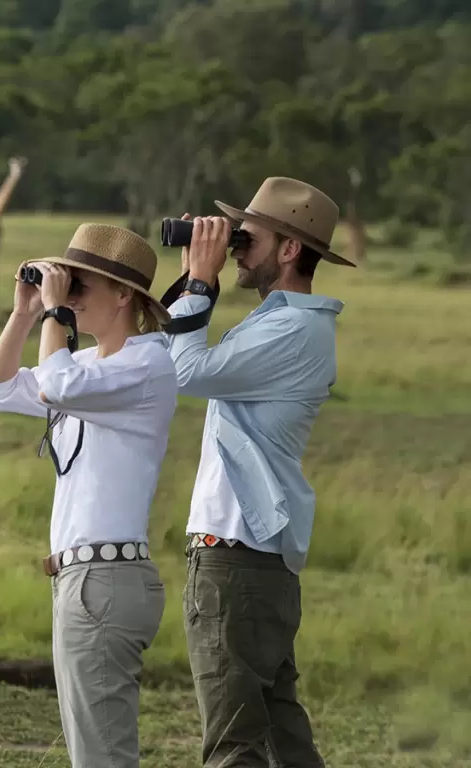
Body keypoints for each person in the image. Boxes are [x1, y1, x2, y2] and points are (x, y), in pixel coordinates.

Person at [164, 177, 356, 767]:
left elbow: (186, 372)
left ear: (291, 249)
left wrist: (201, 281)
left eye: (250, 236)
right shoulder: (282, 322)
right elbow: (183, 353)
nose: (238, 245)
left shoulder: (290, 329)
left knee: (234, 743)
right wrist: (193, 276)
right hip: (256, 558)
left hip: (235, 555)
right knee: (280, 734)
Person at [0, 223, 179, 767]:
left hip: (105, 581)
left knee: (102, 758)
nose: (68, 299)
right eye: (66, 287)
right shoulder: (85, 365)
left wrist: (53, 315)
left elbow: (56, 387)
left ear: (124, 295)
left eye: (79, 288)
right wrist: (25, 313)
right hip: (83, 580)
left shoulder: (148, 363)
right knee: (93, 753)